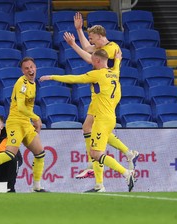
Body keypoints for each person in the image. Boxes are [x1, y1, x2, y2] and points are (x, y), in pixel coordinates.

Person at [40, 49, 136, 192]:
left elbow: (75, 79)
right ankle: (99, 185)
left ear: (97, 61)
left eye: (92, 59)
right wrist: (117, 59)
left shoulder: (96, 74)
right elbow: (116, 65)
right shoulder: (114, 72)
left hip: (102, 119)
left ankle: (126, 173)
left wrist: (53, 77)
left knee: (96, 154)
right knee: (88, 132)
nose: (90, 61)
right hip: (109, 117)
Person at [64, 13, 139, 185]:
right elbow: (88, 48)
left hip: (107, 93)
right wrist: (78, 30)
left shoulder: (111, 48)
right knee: (87, 127)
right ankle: (126, 153)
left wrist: (74, 43)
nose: (91, 41)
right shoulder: (102, 47)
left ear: (100, 36)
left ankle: (98, 162)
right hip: (101, 92)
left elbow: (89, 56)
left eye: (92, 38)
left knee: (95, 130)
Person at [0, 57, 47, 192]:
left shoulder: (32, 83)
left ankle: (36, 186)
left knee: (40, 153)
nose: (30, 70)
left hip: (25, 123)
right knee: (10, 154)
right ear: (22, 71)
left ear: (36, 68)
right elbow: (22, 108)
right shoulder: (21, 84)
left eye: (32, 67)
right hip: (16, 122)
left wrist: (33, 121)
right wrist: (36, 118)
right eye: (26, 68)